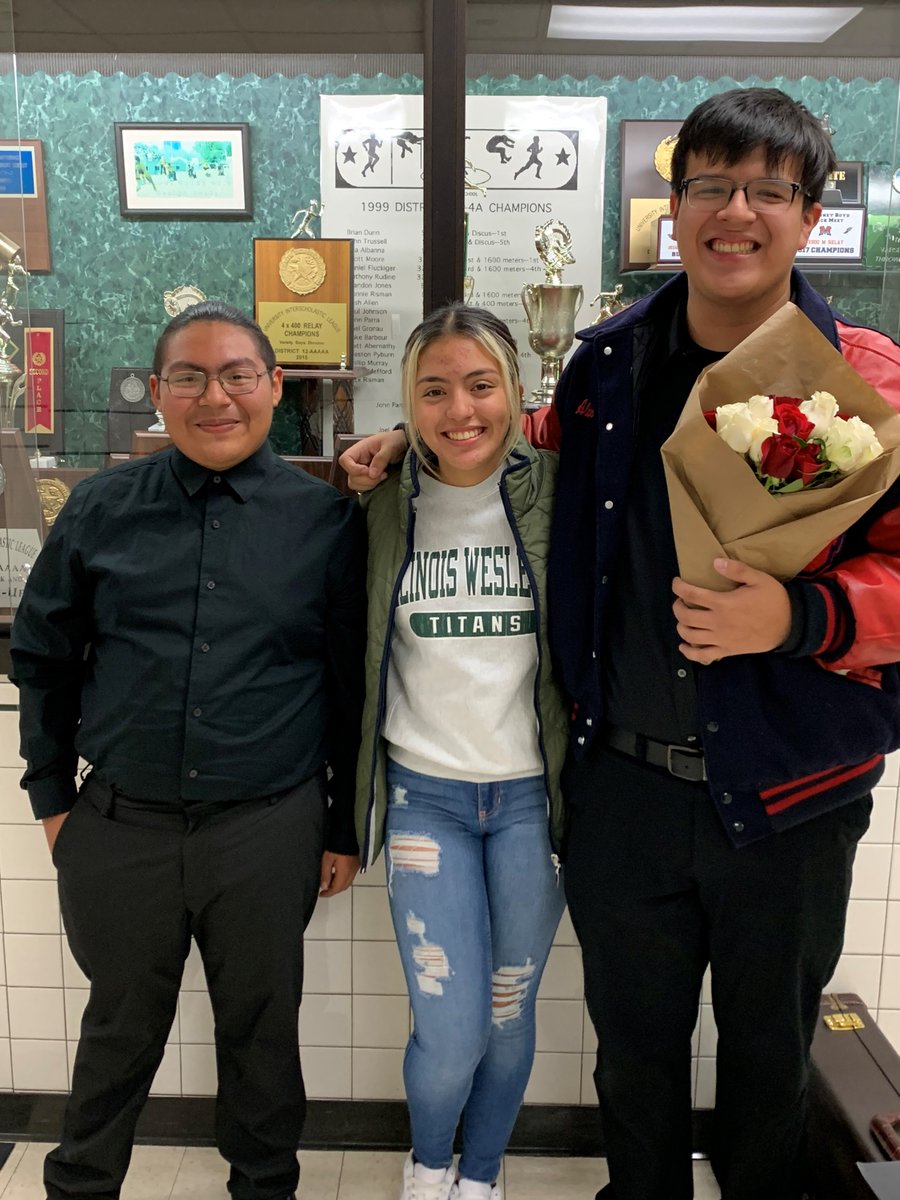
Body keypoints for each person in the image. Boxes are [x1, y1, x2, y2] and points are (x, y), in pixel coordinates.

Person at [340, 88, 900, 1200]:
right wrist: (422, 429)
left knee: (769, 1062)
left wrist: (800, 619)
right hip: (624, 792)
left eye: (767, 191)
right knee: (631, 1059)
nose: (734, 212)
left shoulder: (868, 384)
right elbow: (522, 436)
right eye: (708, 185)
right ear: (673, 201)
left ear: (809, 212)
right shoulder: (608, 367)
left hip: (792, 797)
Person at [11, 300, 366, 1200]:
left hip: (267, 827)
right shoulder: (99, 509)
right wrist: (54, 799)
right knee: (117, 1034)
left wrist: (339, 825)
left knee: (261, 1034)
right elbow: (44, 657)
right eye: (190, 377)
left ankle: (263, 1188)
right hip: (119, 827)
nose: (217, 397)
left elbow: (347, 686)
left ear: (275, 387)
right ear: (158, 392)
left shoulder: (324, 521)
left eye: (238, 375)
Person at [355, 304, 568, 1200]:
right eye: (433, 391)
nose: (460, 410)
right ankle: (427, 1171)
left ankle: (480, 1180)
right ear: (408, 402)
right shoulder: (379, 505)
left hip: (531, 803)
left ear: (515, 389)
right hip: (426, 800)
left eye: (481, 385)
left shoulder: (560, 492)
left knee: (510, 1018)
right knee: (451, 1029)